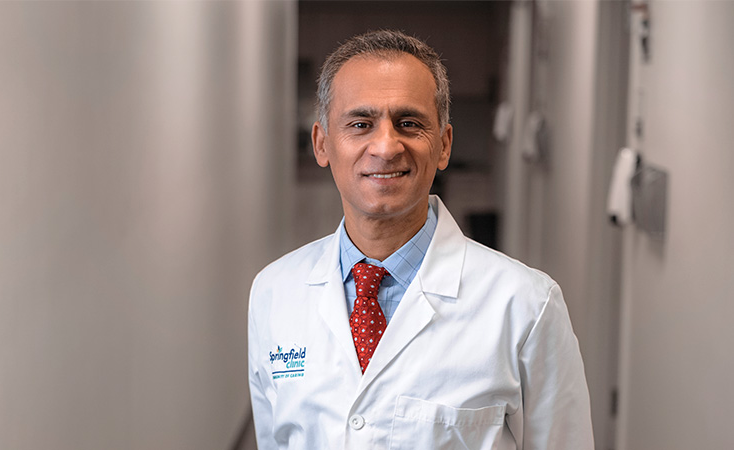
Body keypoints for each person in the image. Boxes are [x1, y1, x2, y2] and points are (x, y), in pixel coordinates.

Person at [247, 29, 594, 449]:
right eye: (360, 123)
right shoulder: (273, 292)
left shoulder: (526, 306)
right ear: (322, 144)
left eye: (408, 123)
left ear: (444, 145)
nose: (386, 146)